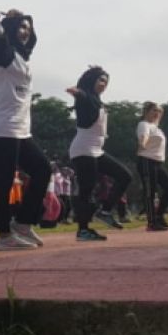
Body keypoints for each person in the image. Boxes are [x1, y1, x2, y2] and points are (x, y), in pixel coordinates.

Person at [0, 9, 52, 250]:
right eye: (20, 27)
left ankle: (24, 223)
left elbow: (28, 39)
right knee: (3, 182)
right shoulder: (4, 55)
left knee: (42, 170)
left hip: (18, 130)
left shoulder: (22, 57)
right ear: (10, 32)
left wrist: (26, 17)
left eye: (28, 28)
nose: (26, 32)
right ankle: (3, 235)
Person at [67, 66, 132, 242]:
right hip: (83, 149)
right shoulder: (86, 98)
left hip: (96, 150)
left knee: (125, 175)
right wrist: (77, 92)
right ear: (91, 81)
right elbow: (82, 96)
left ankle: (104, 211)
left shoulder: (98, 101)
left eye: (106, 82)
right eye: (100, 80)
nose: (104, 84)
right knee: (87, 190)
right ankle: (83, 230)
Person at [137, 102, 168, 232]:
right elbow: (144, 135)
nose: (156, 113)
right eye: (154, 110)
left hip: (158, 163)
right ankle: (152, 222)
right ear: (146, 112)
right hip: (146, 161)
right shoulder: (144, 124)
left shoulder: (157, 128)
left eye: (159, 111)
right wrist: (142, 143)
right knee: (150, 192)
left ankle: (159, 216)